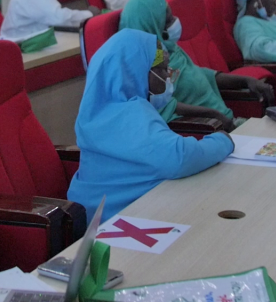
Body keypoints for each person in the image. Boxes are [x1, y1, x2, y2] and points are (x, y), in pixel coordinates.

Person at [67, 29, 235, 223]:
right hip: (115, 221)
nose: (168, 77)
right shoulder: (131, 113)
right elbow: (180, 157)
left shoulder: (94, 110)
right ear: (136, 72)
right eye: (162, 69)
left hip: (95, 214)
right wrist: (223, 141)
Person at [120, 0, 271, 129]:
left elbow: (195, 73)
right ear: (153, 27)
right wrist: (214, 116)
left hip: (228, 122)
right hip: (208, 130)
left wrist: (246, 81)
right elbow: (164, 107)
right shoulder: (149, 69)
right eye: (169, 20)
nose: (175, 22)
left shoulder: (170, 49)